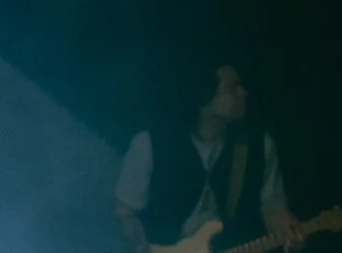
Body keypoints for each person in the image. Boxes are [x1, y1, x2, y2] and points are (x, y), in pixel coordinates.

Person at [115, 60, 303, 251]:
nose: (243, 92)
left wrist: (290, 232)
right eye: (233, 89)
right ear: (204, 102)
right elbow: (125, 212)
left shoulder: (259, 145)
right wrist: (136, 240)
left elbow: (273, 207)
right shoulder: (150, 144)